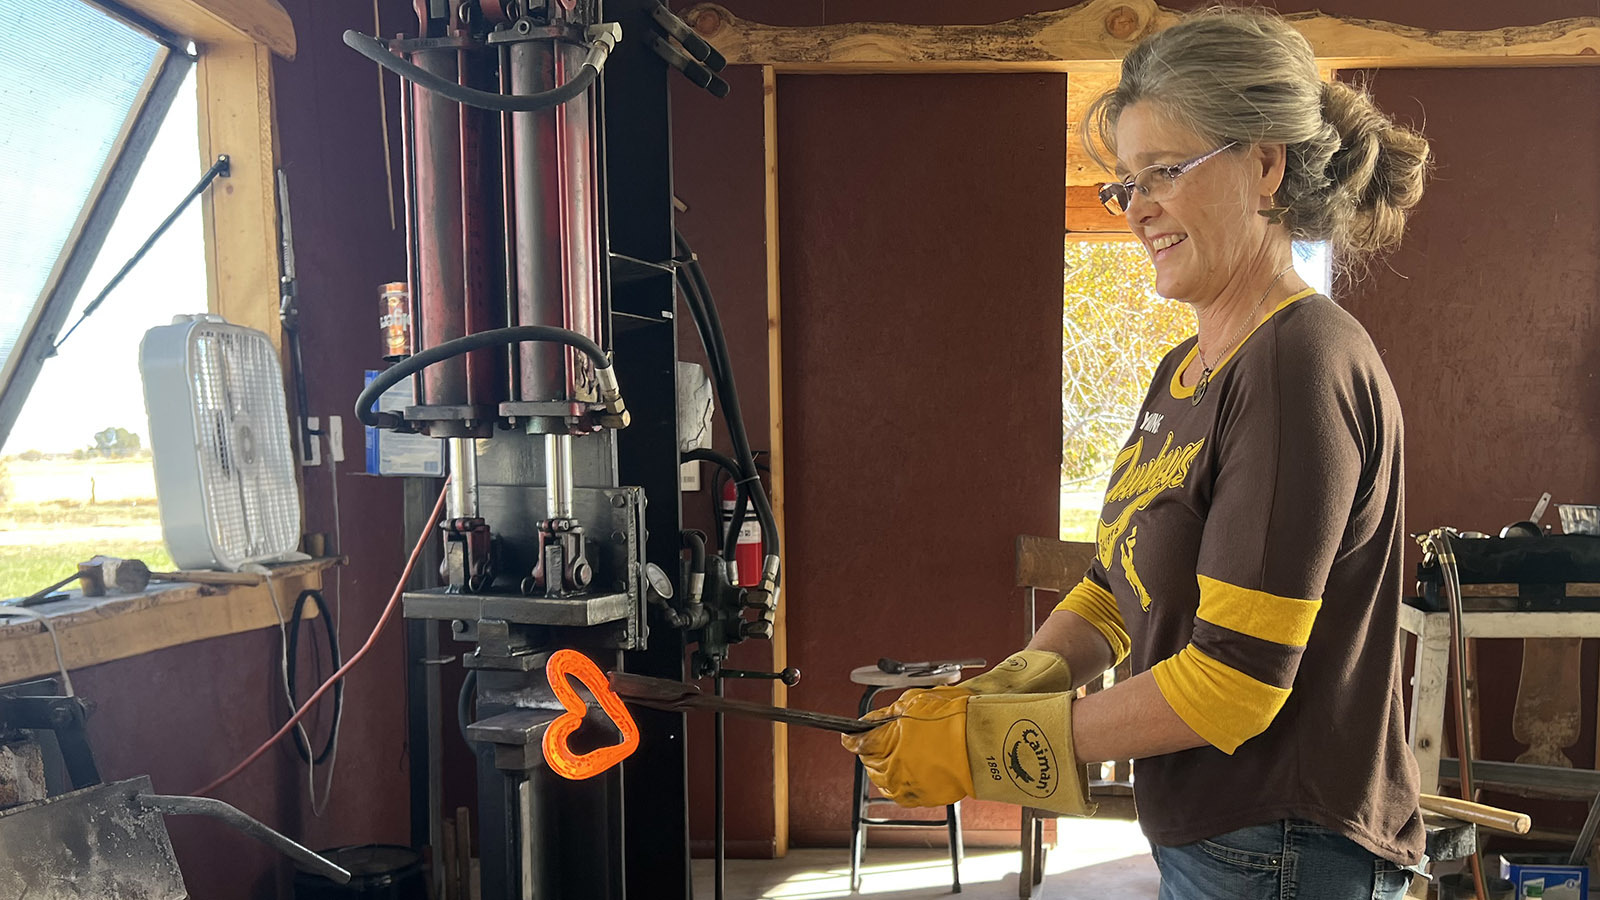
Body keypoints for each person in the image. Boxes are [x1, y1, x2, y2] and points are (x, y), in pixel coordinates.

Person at [842, 8, 1432, 899]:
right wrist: (1008, 687)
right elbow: (1119, 584)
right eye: (1128, 182)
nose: (1138, 207)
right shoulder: (1184, 369)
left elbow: (1234, 685)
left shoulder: (1296, 362)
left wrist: (987, 744)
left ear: (1265, 165)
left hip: (1284, 848)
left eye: (1166, 170)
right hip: (1214, 835)